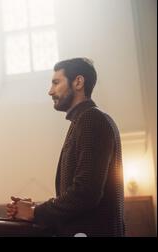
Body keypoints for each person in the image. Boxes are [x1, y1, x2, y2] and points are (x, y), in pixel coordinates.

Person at [7, 58, 124, 237]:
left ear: (78, 82)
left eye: (56, 82)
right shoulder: (82, 121)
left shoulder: (91, 119)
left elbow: (86, 192)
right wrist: (34, 207)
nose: (50, 91)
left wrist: (35, 212)